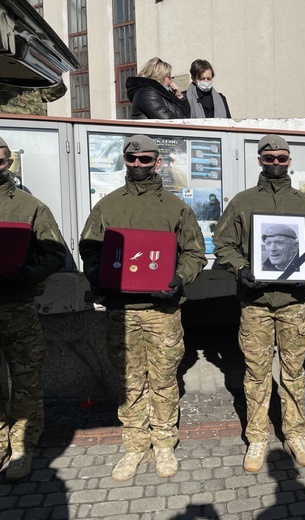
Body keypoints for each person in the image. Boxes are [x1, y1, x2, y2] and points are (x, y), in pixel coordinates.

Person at [79, 135, 207, 482]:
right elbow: (90, 248)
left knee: (164, 380)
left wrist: (179, 279)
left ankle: (164, 443)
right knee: (129, 380)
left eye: (145, 159)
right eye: (132, 159)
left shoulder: (175, 207)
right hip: (121, 312)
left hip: (161, 311)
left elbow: (195, 253)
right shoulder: (107, 206)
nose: (138, 165)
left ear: (157, 163)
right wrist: (98, 276)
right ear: (125, 161)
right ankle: (135, 445)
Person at [213, 134, 305, 473]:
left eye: (282, 158)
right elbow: (223, 244)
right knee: (256, 373)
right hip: (256, 303)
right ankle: (257, 437)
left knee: (294, 372)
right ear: (260, 161)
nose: (277, 163)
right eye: (270, 159)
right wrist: (240, 269)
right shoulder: (242, 202)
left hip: (294, 302)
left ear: (290, 160)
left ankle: (295, 433)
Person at [0, 137, 66, 481]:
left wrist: (27, 272)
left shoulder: (30, 207)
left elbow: (55, 253)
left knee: (25, 380)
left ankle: (22, 448)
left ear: (9, 163)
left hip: (17, 307)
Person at [125, 57, 190, 119]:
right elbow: (168, 120)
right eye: (169, 77)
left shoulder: (161, 93)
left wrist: (180, 96)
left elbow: (187, 115)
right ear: (159, 76)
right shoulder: (146, 93)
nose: (171, 81)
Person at [0, 79, 68, 116]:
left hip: (35, 125)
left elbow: (54, 94)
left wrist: (55, 74)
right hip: (8, 123)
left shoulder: (33, 75)